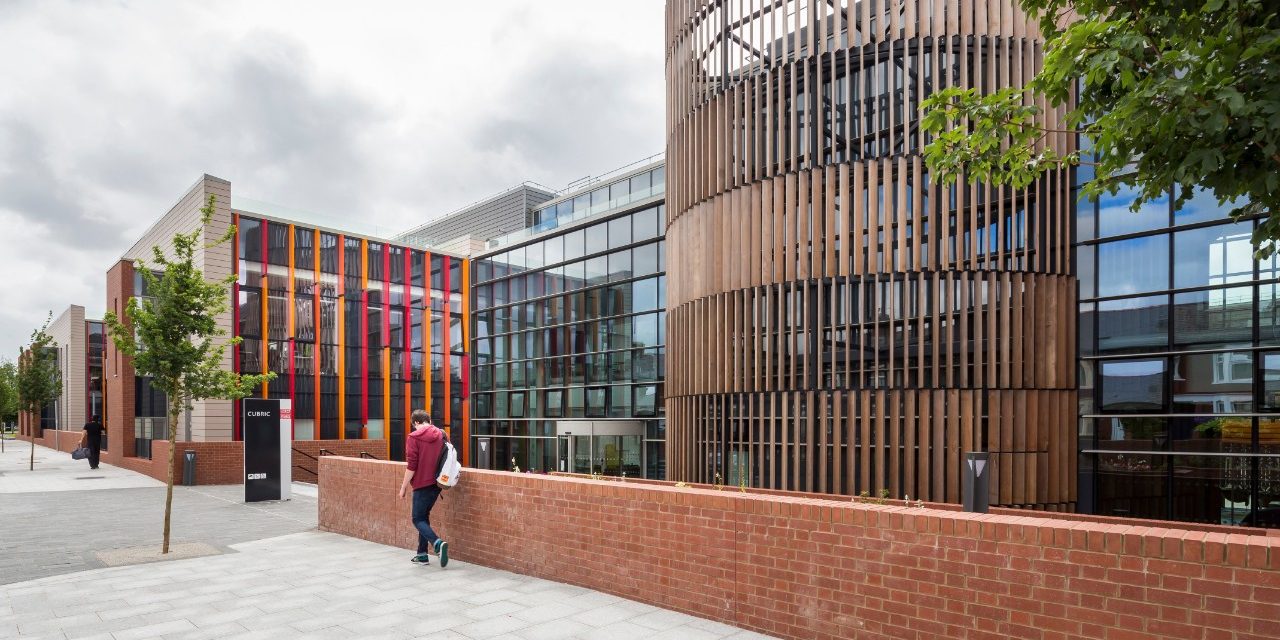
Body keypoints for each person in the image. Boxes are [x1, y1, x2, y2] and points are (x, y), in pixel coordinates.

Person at [398, 410, 449, 567]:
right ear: (429, 420)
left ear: (417, 423)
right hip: (438, 483)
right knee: (423, 517)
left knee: (417, 519)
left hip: (422, 484)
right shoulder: (442, 434)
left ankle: (437, 543)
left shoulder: (413, 437)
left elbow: (412, 465)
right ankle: (422, 555)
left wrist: (403, 487)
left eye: (414, 425)